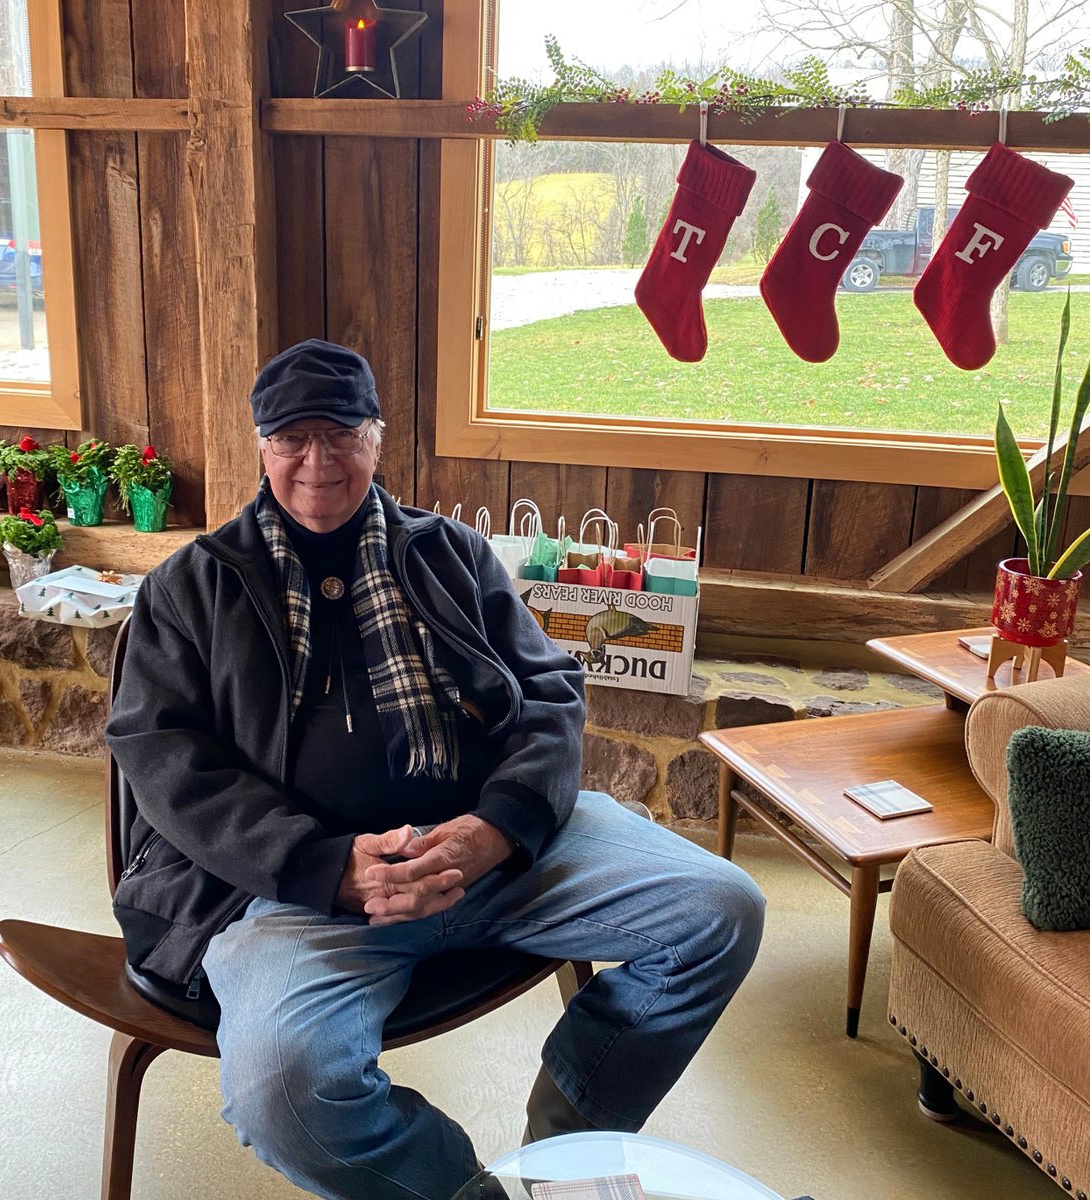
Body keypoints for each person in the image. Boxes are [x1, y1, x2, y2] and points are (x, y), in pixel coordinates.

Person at [105, 339, 765, 1200]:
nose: (317, 461)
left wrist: (497, 829)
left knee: (720, 910)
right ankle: (466, 1194)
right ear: (261, 447)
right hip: (298, 894)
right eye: (291, 438)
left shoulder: (448, 553)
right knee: (281, 1095)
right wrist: (325, 867)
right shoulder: (192, 588)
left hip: (489, 854)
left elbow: (549, 692)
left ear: (377, 440)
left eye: (341, 432)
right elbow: (163, 760)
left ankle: (565, 1151)